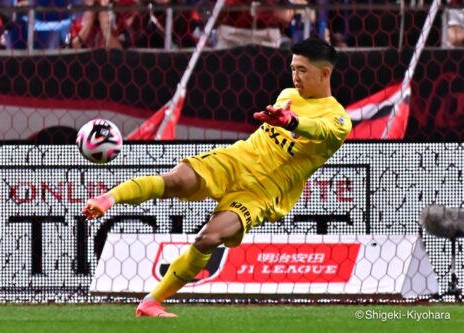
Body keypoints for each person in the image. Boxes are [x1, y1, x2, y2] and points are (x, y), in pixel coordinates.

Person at [83, 38, 352, 317]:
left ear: (325, 73)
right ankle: (108, 198)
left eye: (303, 71)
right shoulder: (287, 94)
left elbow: (318, 129)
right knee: (176, 180)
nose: (295, 77)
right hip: (237, 160)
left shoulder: (339, 120)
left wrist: (291, 122)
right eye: (293, 69)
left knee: (209, 238)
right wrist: (279, 119)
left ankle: (151, 301)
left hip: (263, 191)